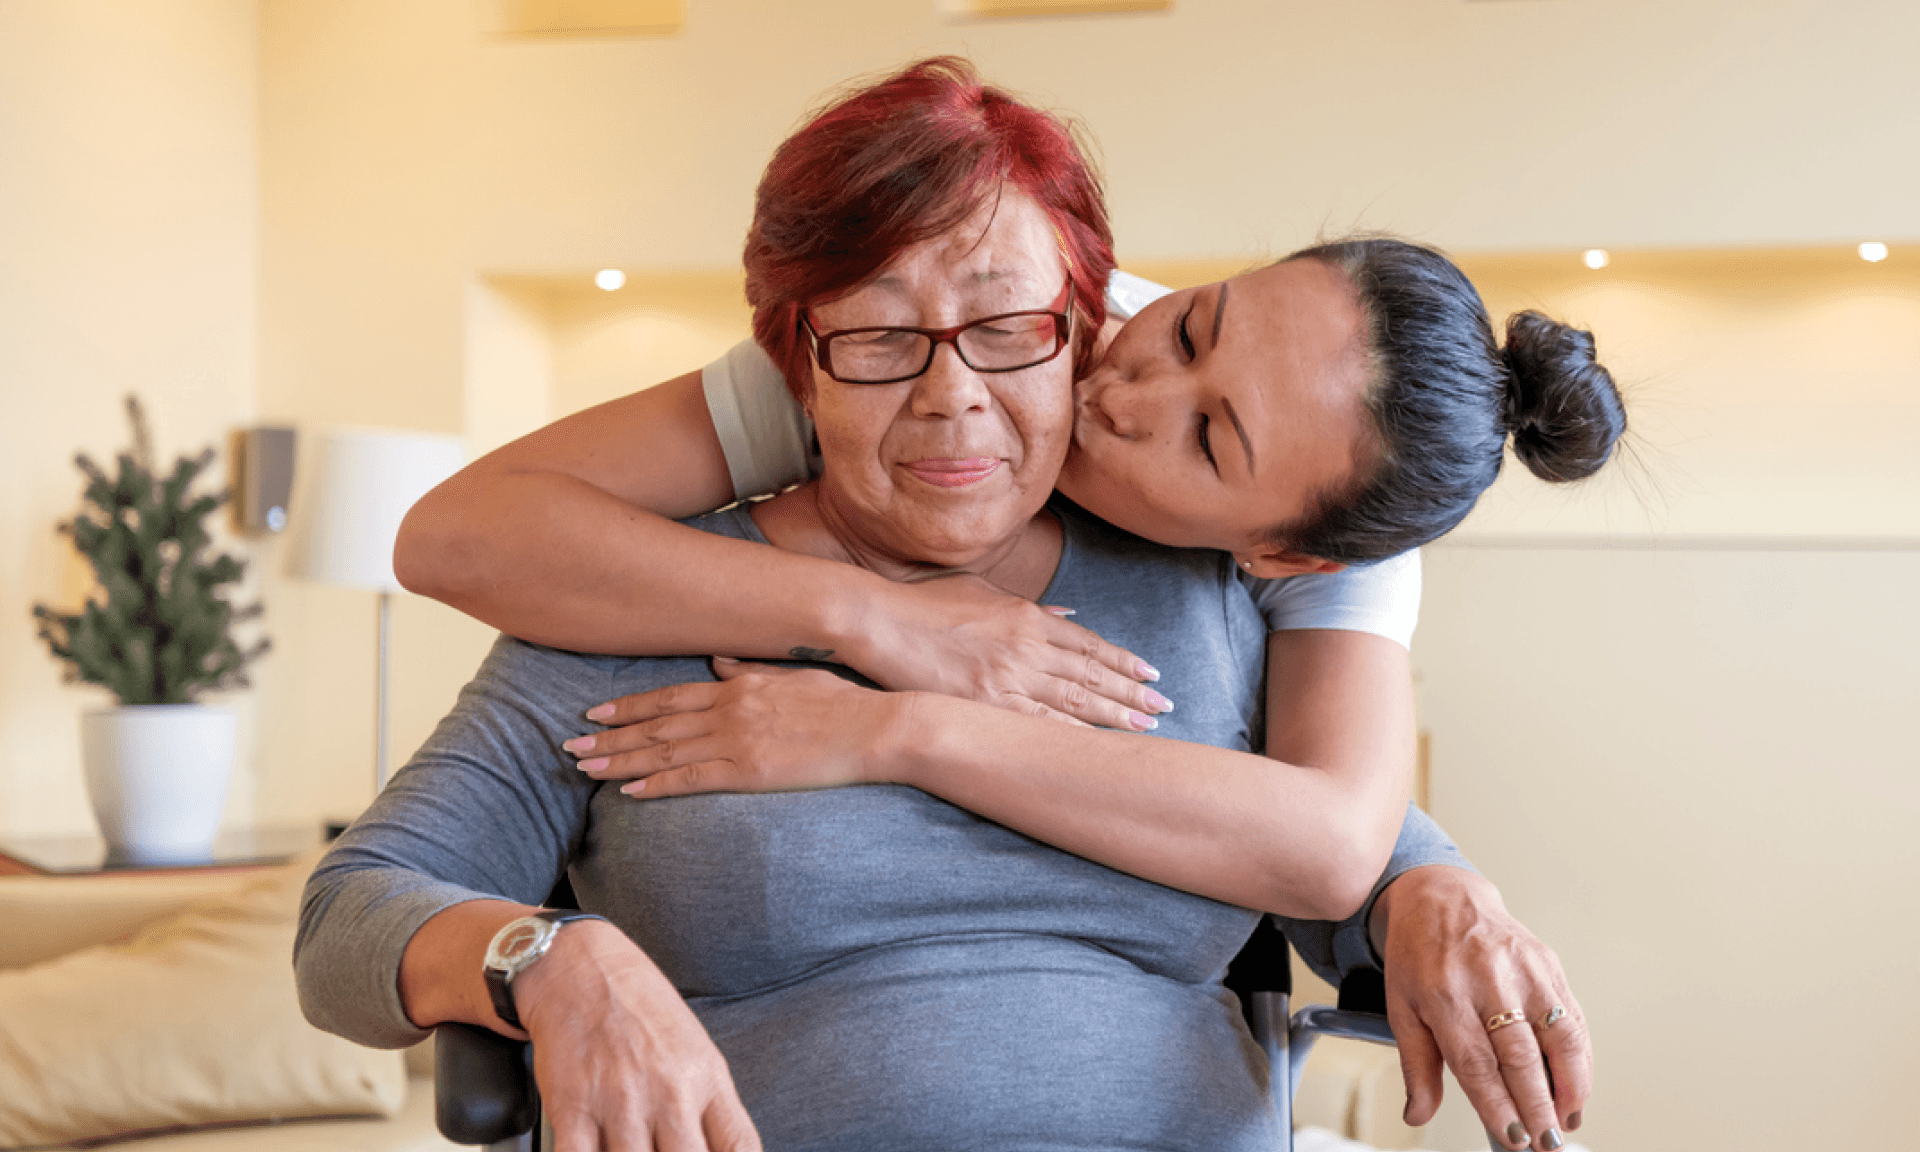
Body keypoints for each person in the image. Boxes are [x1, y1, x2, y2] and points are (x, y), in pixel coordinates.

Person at [385, 58, 1614, 1149]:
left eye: (1207, 442)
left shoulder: (1246, 571)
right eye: (1184, 334)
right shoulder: (952, 323)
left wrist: (1430, 889)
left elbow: (1337, 832)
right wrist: (548, 954)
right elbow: (383, 851)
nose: (959, 391)